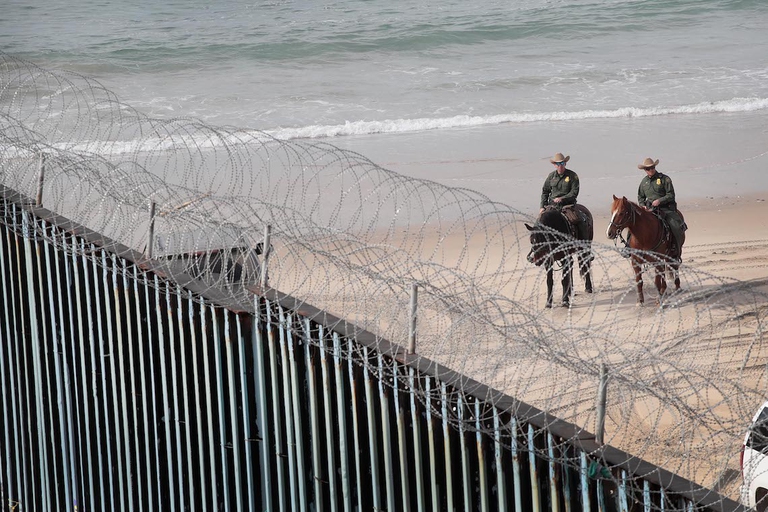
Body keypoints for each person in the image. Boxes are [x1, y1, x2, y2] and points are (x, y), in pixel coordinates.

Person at [637, 157, 686, 260]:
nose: (651, 170)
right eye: (648, 168)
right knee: (635, 224)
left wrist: (660, 201)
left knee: (675, 225)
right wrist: (643, 205)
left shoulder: (664, 179)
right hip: (649, 209)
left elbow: (671, 195)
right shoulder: (644, 182)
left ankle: (675, 249)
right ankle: (630, 248)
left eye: (652, 167)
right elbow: (640, 196)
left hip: (665, 208)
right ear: (645, 170)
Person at [540, 153, 588, 240]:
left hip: (568, 205)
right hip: (552, 205)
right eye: (558, 164)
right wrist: (542, 207)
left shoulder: (573, 176)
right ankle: (536, 246)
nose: (560, 166)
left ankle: (583, 245)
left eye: (562, 163)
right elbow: (545, 191)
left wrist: (562, 198)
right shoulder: (551, 176)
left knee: (579, 221)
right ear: (554, 165)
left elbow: (574, 192)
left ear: (565, 163)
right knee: (540, 222)